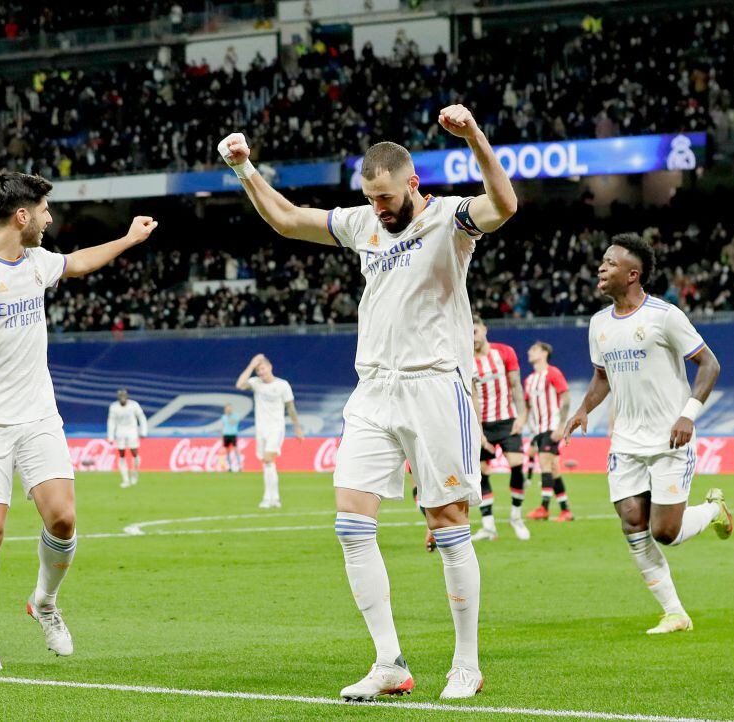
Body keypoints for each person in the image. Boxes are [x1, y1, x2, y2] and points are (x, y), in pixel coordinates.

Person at [218, 102, 517, 699]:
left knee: (450, 524)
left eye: (386, 197)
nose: (379, 208)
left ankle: (466, 663)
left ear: (413, 183)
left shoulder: (452, 219)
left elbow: (505, 204)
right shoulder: (364, 223)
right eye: (370, 197)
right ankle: (389, 662)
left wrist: (475, 136)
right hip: (374, 389)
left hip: (436, 385)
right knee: (351, 525)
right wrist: (245, 168)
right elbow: (286, 219)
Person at [0, 170, 157, 671]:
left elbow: (76, 263)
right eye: (46, 210)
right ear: (22, 215)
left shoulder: (37, 262)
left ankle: (45, 602)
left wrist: (129, 238)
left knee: (64, 518)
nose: (51, 218)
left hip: (39, 416)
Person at [564, 233, 731, 635]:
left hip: (670, 439)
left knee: (666, 532)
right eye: (601, 263)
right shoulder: (599, 323)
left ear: (633, 274)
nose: (601, 268)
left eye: (610, 263)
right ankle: (675, 612)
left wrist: (688, 415)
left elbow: (709, 365)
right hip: (625, 442)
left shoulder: (664, 315)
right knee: (632, 523)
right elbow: (602, 376)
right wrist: (584, 408)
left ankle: (713, 510)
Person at [469, 315, 530, 542]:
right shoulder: (466, 360)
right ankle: (488, 525)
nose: (472, 337)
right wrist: (478, 432)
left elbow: (515, 384)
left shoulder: (504, 352)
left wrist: (522, 415)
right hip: (482, 423)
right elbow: (471, 397)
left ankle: (516, 516)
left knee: (516, 464)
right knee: (482, 471)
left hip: (506, 420)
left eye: (474, 331)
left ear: (485, 329)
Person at [235, 354, 304, 508]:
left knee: (268, 459)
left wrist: (297, 427)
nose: (261, 372)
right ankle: (275, 498)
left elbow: (290, 408)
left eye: (262, 368)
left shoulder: (282, 385)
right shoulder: (255, 383)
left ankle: (268, 498)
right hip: (261, 430)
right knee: (267, 463)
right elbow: (239, 385)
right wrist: (251, 365)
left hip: (276, 428)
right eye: (258, 370)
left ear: (270, 367)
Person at [522, 342, 574, 521]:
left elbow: (566, 398)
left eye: (534, 349)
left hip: (552, 427)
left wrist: (561, 427)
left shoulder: (553, 373)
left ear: (544, 353)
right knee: (553, 468)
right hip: (538, 431)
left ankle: (543, 508)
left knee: (545, 463)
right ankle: (566, 510)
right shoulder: (529, 380)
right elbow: (527, 407)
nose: (529, 351)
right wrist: (527, 430)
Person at [107, 388, 147, 488]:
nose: (122, 398)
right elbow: (111, 422)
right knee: (121, 455)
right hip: (120, 432)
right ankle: (125, 479)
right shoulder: (114, 407)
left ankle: (134, 472)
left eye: (124, 396)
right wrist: (110, 436)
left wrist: (143, 431)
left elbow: (141, 418)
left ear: (127, 397)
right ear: (118, 397)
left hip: (132, 431)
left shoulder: (134, 405)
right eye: (121, 396)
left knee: (134, 452)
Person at [220, 404, 242, 472]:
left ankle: (239, 466)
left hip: (233, 434)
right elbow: (222, 426)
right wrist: (222, 436)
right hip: (226, 435)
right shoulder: (223, 417)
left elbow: (232, 423)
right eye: (227, 408)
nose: (228, 409)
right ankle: (229, 467)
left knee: (236, 450)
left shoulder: (235, 416)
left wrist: (229, 416)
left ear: (231, 409)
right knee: (227, 452)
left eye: (229, 408)